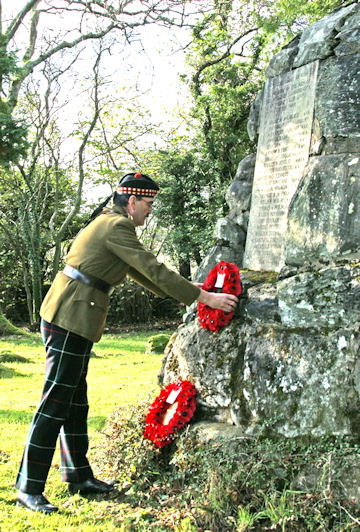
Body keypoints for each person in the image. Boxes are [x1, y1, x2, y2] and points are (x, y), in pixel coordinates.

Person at [15, 172, 238, 513]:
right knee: (56, 401)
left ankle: (78, 476)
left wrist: (189, 296)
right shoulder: (116, 227)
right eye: (148, 204)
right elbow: (150, 266)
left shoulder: (112, 225)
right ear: (131, 201)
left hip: (72, 314)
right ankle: (28, 488)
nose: (150, 212)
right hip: (68, 317)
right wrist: (203, 297)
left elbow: (142, 272)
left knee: (75, 402)